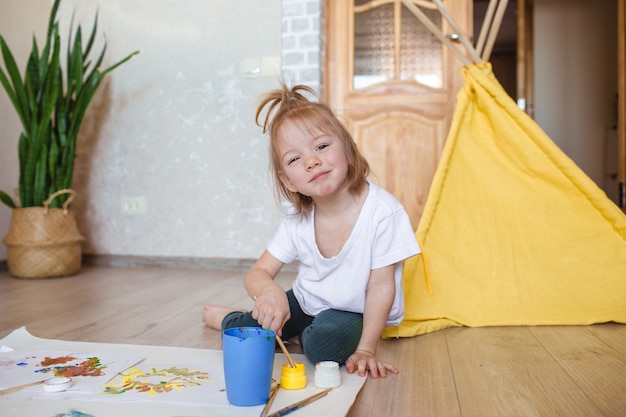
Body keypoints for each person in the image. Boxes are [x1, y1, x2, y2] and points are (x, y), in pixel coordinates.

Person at [203, 81, 420, 379]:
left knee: (323, 347)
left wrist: (367, 349)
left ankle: (305, 335)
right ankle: (228, 317)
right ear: (288, 180)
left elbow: (381, 287)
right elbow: (257, 273)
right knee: (246, 330)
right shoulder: (296, 217)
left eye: (321, 146)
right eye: (295, 159)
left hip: (354, 310)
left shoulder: (383, 212)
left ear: (347, 147)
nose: (312, 161)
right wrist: (271, 292)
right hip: (307, 301)